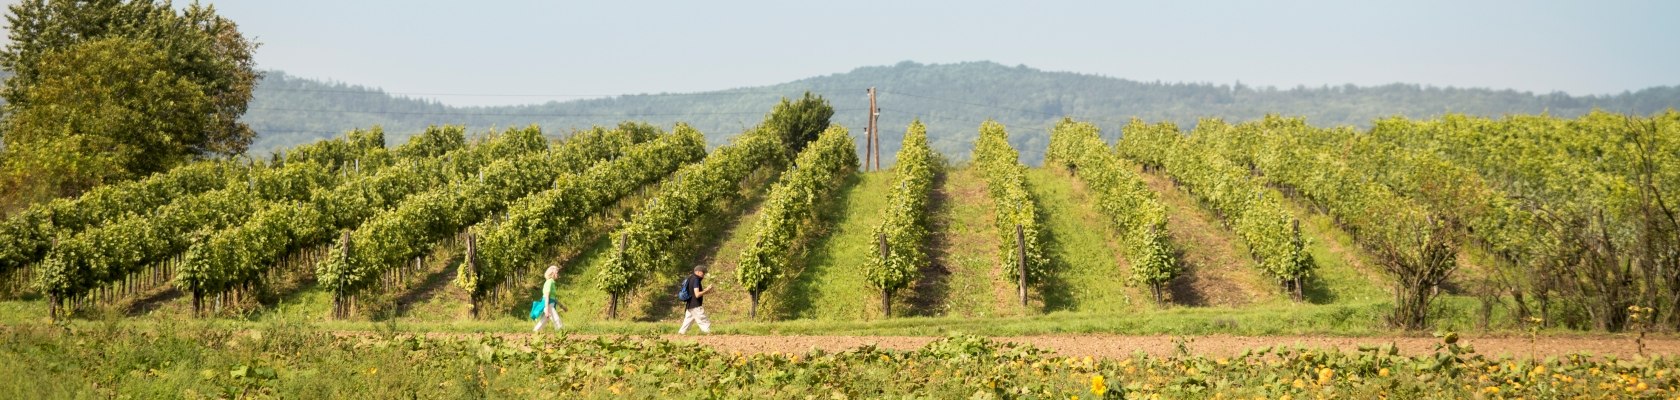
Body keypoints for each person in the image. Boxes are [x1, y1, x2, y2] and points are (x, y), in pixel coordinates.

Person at [679, 265, 712, 335]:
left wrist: (706, 290)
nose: (704, 274)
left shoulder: (690, 278)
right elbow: (697, 294)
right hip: (695, 305)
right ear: (698, 272)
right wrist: (707, 291)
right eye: (703, 272)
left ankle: (680, 334)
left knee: (686, 323)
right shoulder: (696, 279)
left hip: (690, 305)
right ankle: (709, 334)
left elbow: (693, 292)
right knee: (703, 321)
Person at [534, 265, 568, 332]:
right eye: (557, 273)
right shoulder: (549, 282)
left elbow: (553, 298)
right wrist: (546, 308)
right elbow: (547, 295)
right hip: (548, 304)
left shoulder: (552, 282)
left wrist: (562, 306)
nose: (558, 274)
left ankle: (536, 331)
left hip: (550, 303)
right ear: (552, 273)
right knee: (556, 319)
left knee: (544, 320)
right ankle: (561, 333)